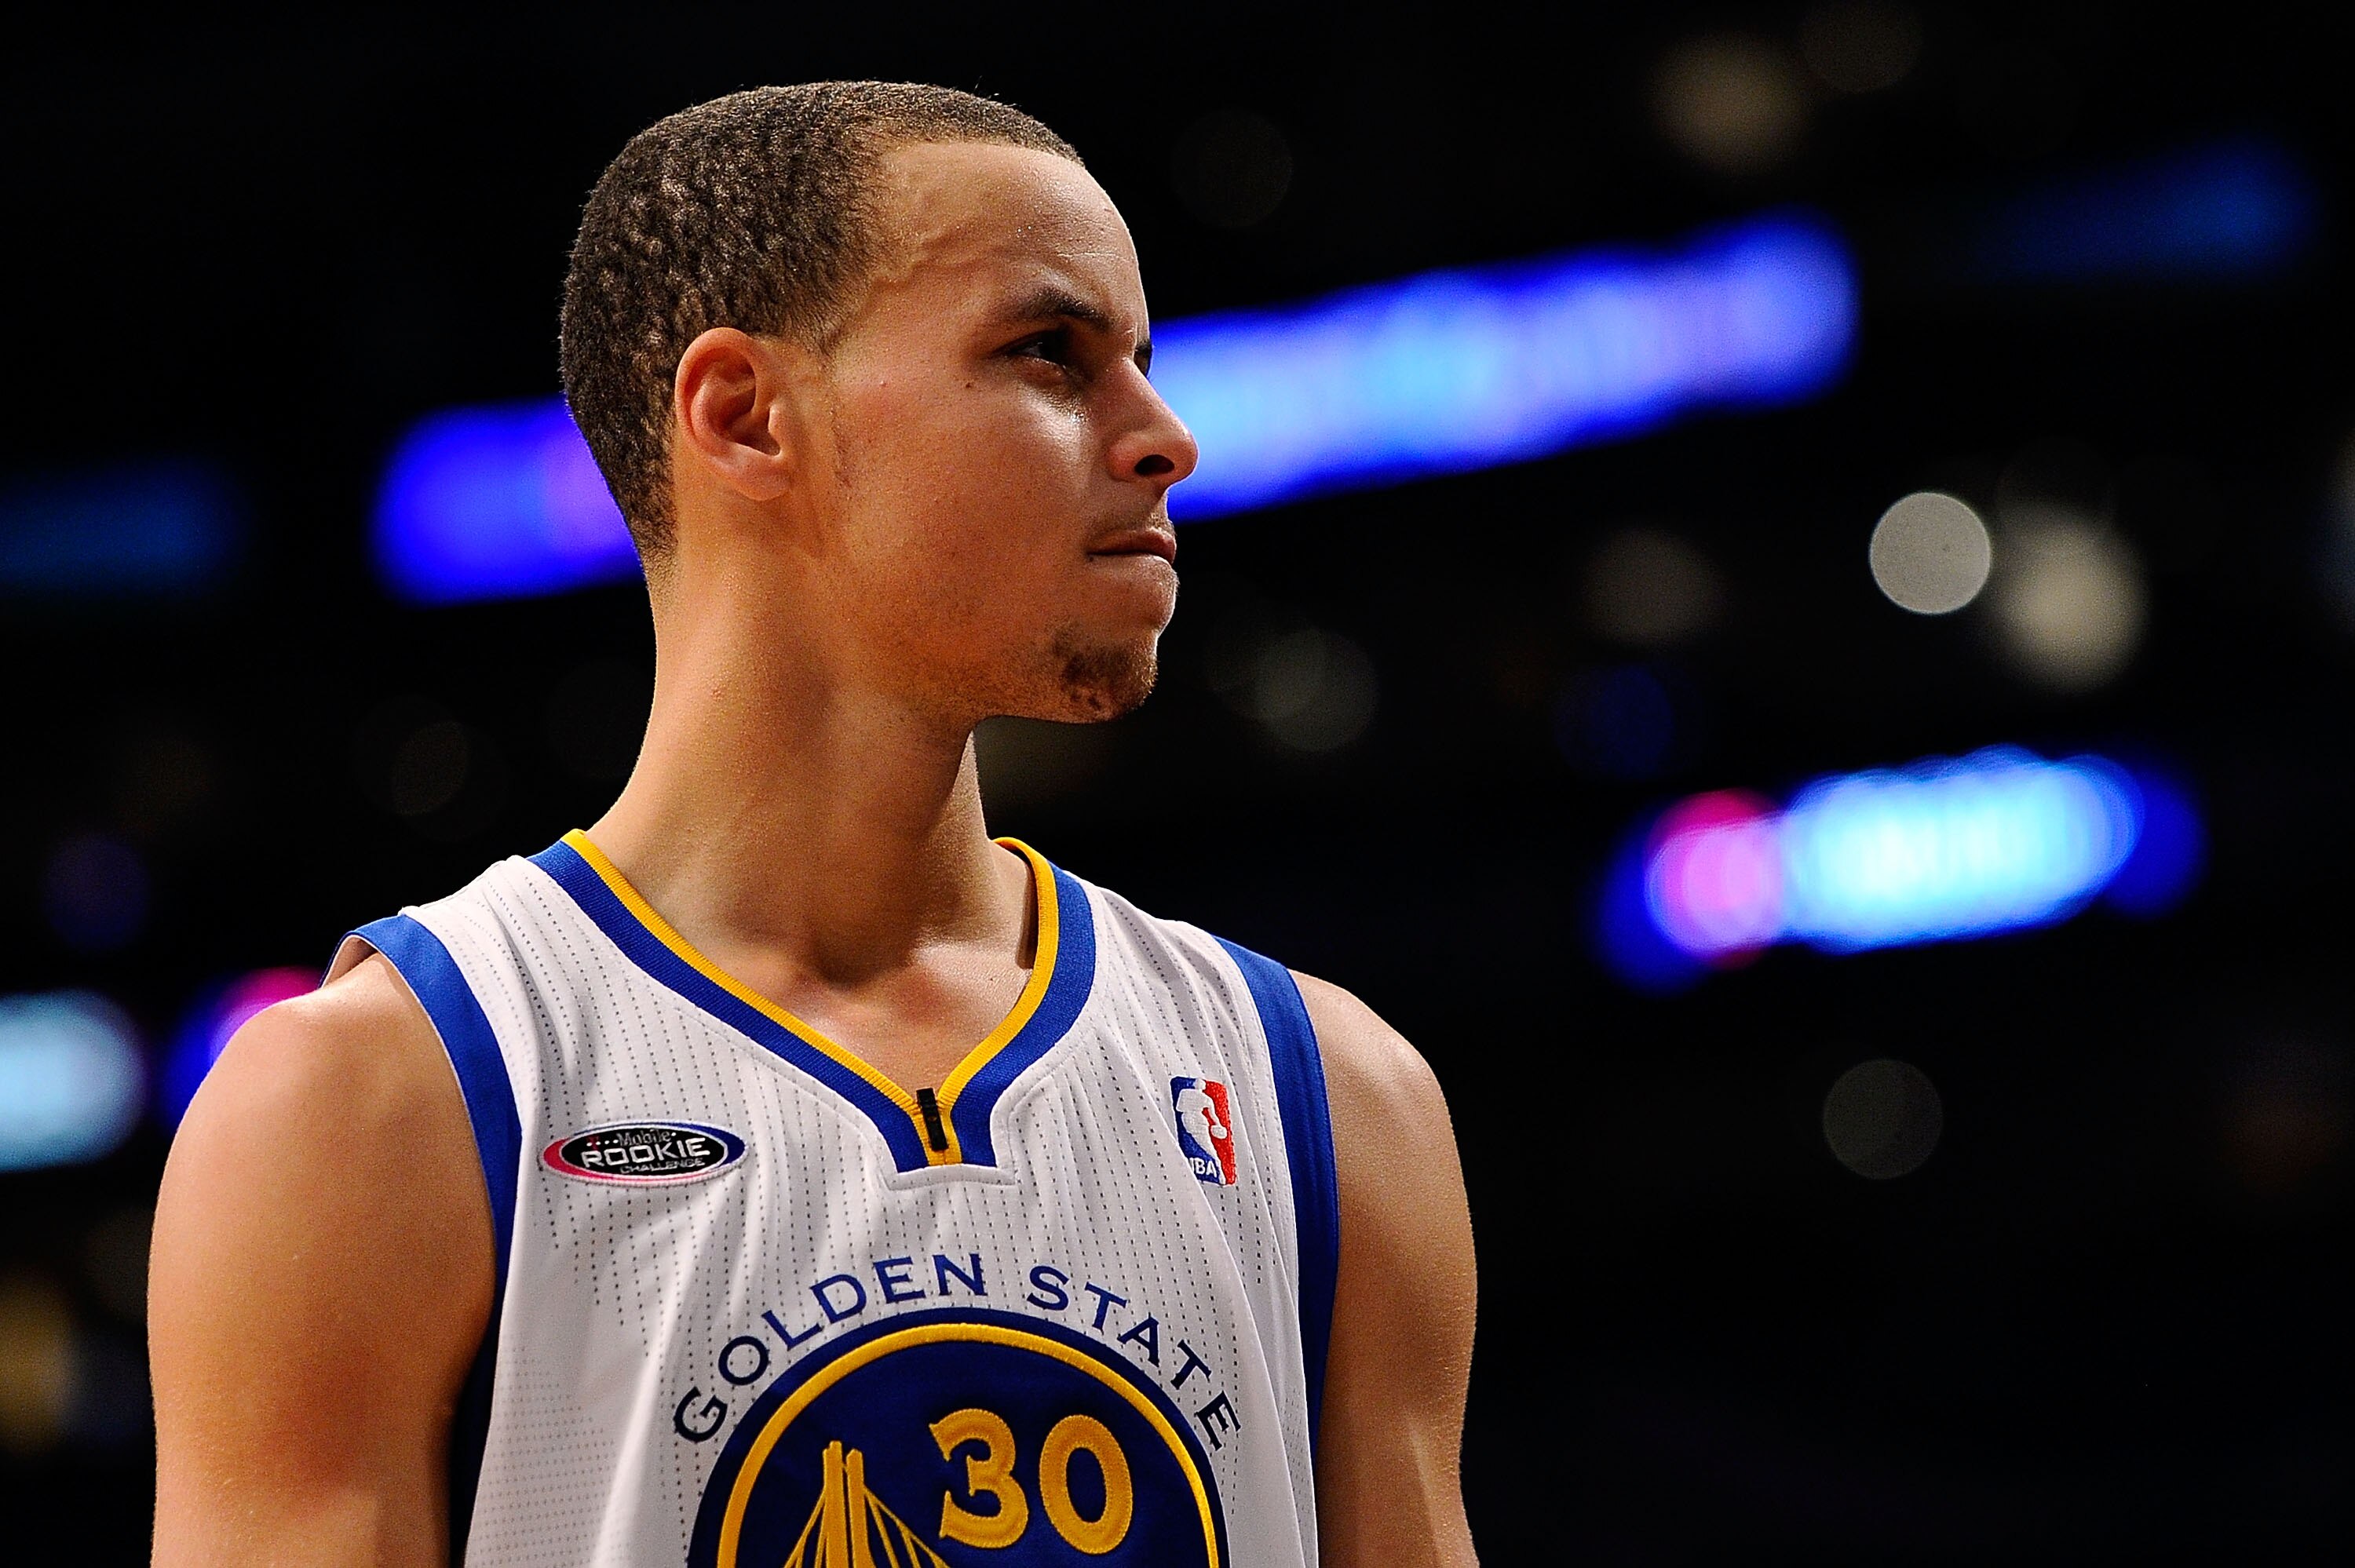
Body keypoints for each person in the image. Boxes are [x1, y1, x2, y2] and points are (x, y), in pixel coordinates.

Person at [150, 82, 1477, 1568]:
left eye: (1141, 364)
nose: (1167, 436)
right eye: (1051, 353)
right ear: (743, 414)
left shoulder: (1328, 1097)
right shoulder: (374, 1105)